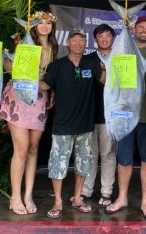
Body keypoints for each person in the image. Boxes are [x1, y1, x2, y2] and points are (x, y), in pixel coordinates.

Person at [0, 11, 59, 215]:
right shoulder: (25, 44)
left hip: (40, 100)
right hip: (19, 97)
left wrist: (51, 90)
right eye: (40, 22)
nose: (44, 26)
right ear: (34, 26)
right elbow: (8, 67)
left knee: (34, 148)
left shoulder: (54, 48)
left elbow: (52, 76)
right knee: (21, 148)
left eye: (48, 23)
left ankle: (28, 194)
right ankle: (15, 196)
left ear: (52, 27)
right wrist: (8, 59)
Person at [103, 16, 146, 220]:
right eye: (140, 26)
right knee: (124, 160)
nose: (143, 30)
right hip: (123, 114)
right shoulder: (121, 49)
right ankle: (122, 198)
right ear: (134, 30)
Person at [39, 31, 103, 219]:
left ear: (85, 44)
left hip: (85, 125)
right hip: (62, 126)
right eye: (74, 40)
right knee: (57, 165)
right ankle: (58, 201)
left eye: (81, 40)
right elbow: (45, 86)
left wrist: (105, 69)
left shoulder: (92, 64)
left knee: (84, 164)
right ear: (68, 43)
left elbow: (104, 81)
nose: (77, 43)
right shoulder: (57, 65)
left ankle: (77, 198)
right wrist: (25, 80)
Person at [81, 24, 117, 207]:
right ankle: (86, 190)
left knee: (108, 154)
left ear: (113, 38)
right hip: (89, 115)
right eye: (100, 35)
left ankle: (106, 192)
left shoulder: (120, 59)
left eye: (108, 35)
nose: (104, 38)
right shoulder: (86, 59)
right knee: (89, 154)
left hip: (111, 117)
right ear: (94, 39)